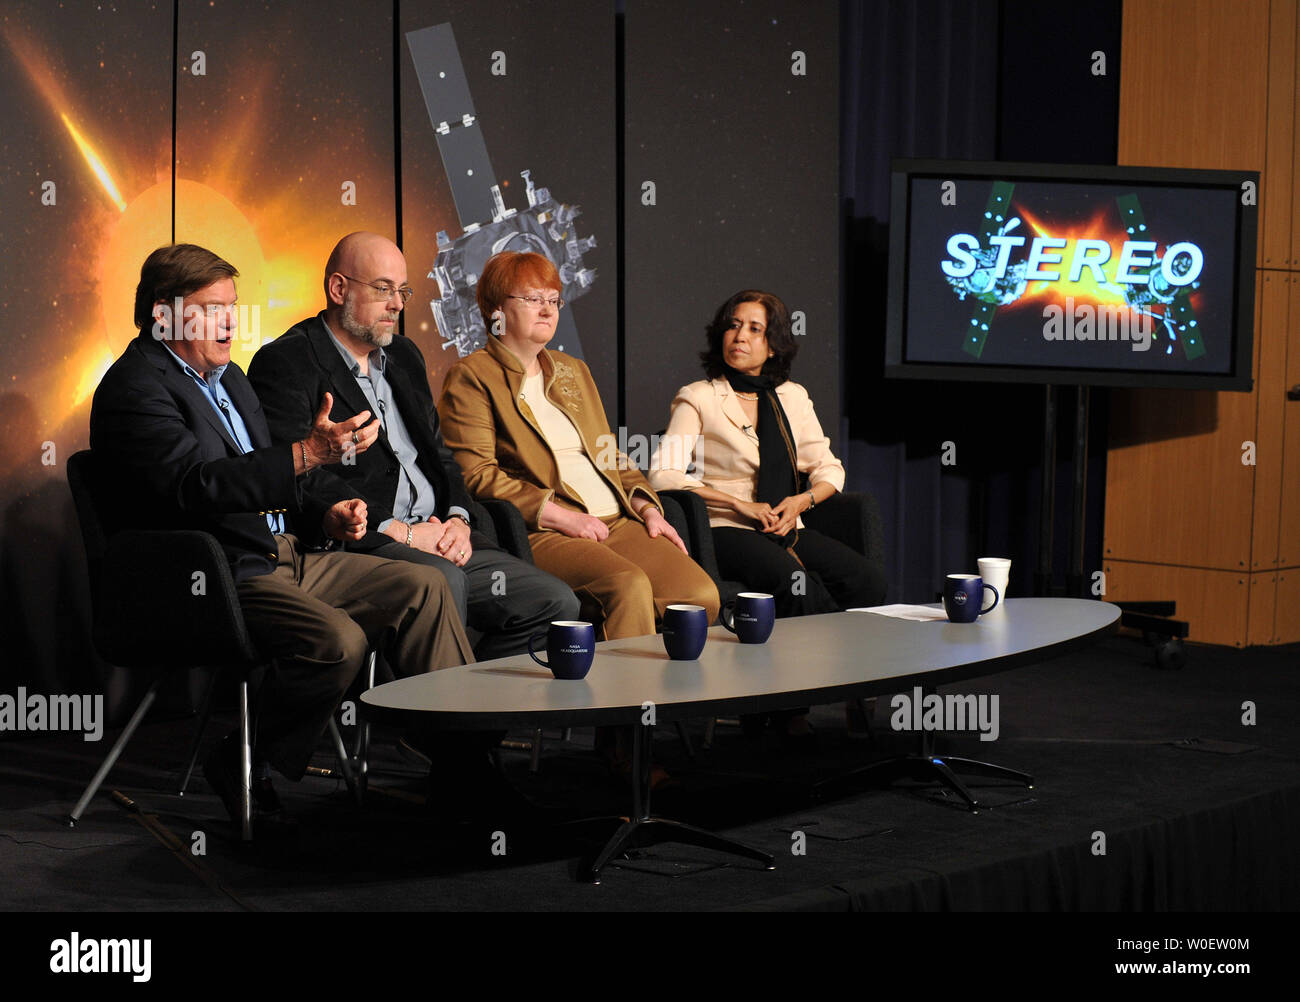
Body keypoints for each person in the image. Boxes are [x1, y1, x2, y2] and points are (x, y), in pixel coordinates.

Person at [88, 243, 475, 825]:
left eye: (232, 307)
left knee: (424, 587)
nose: (230, 322)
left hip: (282, 552)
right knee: (336, 642)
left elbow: (270, 476)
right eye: (212, 308)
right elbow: (197, 488)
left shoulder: (232, 381)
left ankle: (468, 776)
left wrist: (325, 513)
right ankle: (243, 757)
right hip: (210, 575)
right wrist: (305, 453)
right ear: (164, 313)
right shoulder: (134, 388)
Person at [248, 232, 580, 663]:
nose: (398, 304)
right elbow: (301, 479)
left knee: (555, 603)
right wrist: (400, 532)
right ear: (338, 288)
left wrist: (459, 521)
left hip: (443, 533)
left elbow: (441, 457)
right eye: (383, 289)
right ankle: (438, 722)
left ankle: (478, 718)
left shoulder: (404, 355)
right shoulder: (287, 361)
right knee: (444, 583)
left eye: (402, 291)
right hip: (369, 544)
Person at [649, 290, 885, 620]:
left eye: (754, 329)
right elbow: (662, 475)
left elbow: (828, 468)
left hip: (786, 523)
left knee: (869, 582)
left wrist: (801, 502)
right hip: (725, 527)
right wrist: (736, 504)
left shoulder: (793, 396)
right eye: (733, 326)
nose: (740, 336)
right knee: (796, 585)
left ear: (773, 345)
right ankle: (816, 665)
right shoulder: (699, 397)